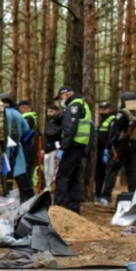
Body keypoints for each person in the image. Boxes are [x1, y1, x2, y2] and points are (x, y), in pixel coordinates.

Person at [53, 85, 93, 213]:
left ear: (67, 94)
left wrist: (63, 148)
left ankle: (59, 207)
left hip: (73, 146)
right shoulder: (83, 104)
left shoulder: (74, 107)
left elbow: (70, 129)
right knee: (75, 176)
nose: (61, 100)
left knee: (62, 176)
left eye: (61, 97)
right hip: (80, 145)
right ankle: (74, 207)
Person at [101, 92, 136, 202]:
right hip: (134, 146)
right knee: (132, 171)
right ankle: (133, 194)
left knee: (112, 171)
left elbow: (115, 131)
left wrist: (109, 146)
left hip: (121, 147)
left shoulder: (122, 114)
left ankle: (106, 196)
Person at [1, 92, 32, 201]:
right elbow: (26, 129)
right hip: (16, 146)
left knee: (3, 171)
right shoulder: (18, 114)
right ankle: (25, 197)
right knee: (17, 171)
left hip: (2, 147)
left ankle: (4, 195)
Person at [94, 102, 116, 206]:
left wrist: (109, 148)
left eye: (104, 109)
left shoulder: (113, 118)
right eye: (101, 109)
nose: (102, 111)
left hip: (110, 150)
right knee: (99, 174)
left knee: (109, 173)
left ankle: (106, 196)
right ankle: (98, 194)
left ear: (110, 109)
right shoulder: (103, 120)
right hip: (100, 150)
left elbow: (112, 134)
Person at [18, 100, 40, 190]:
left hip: (27, 145)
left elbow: (23, 131)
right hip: (30, 145)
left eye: (23, 108)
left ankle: (27, 188)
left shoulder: (28, 117)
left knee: (25, 167)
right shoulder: (32, 116)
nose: (21, 110)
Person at [42, 103, 62, 190]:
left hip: (55, 148)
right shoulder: (50, 122)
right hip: (47, 149)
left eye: (51, 111)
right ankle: (47, 187)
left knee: (52, 170)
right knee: (46, 170)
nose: (49, 113)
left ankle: (52, 189)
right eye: (48, 111)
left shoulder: (59, 121)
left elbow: (55, 134)